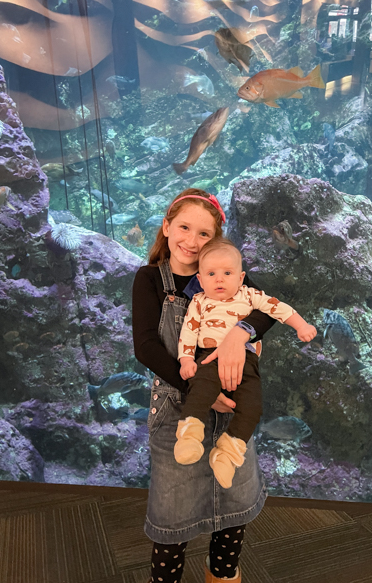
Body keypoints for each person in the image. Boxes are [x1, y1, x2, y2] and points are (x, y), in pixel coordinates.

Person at [132, 188, 276, 583]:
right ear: (166, 227)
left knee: (233, 509)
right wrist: (201, 391)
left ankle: (223, 575)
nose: (192, 242)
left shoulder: (225, 272)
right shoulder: (150, 279)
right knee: (172, 519)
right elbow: (146, 346)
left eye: (204, 234)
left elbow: (267, 310)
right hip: (178, 409)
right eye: (184, 228)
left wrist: (240, 333)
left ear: (216, 240)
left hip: (231, 408)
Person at [175, 237, 317, 489]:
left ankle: (227, 455)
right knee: (202, 390)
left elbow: (277, 308)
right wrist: (186, 359)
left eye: (227, 273)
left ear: (241, 278)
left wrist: (301, 325)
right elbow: (189, 331)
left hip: (247, 361)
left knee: (252, 408)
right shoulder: (198, 301)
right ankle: (189, 436)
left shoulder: (250, 295)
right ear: (200, 279)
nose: (219, 279)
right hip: (209, 357)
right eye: (211, 274)